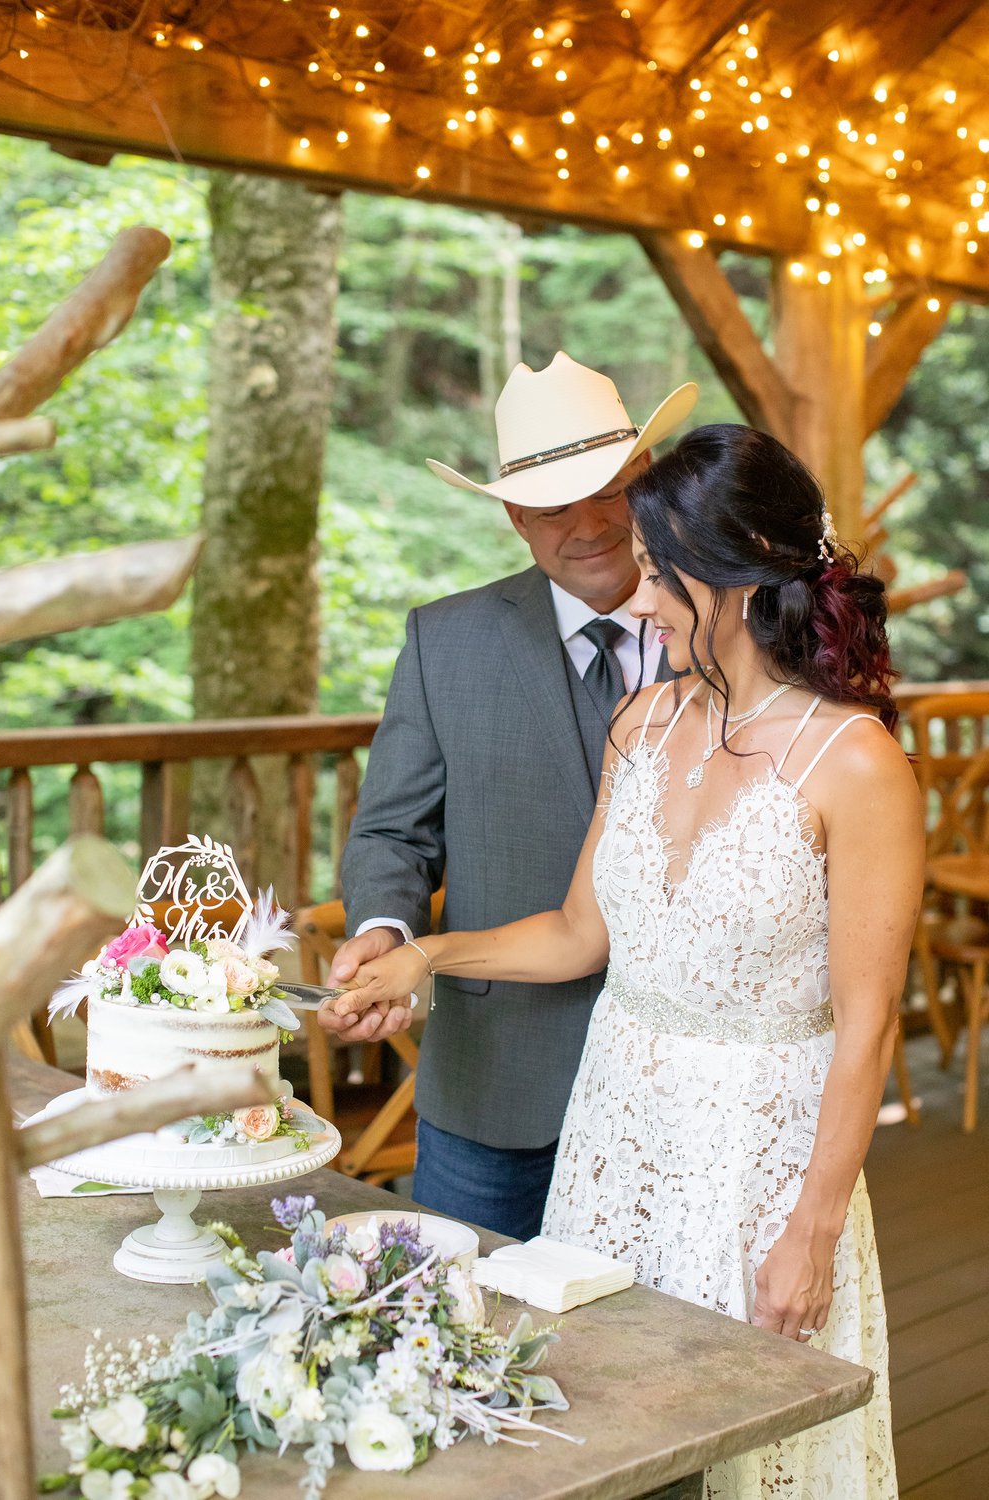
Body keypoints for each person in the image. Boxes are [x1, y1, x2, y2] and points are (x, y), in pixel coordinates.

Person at [330, 423, 924, 1497]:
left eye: (658, 574)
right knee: (598, 1431)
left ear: (735, 576)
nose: (638, 603)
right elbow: (576, 933)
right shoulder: (643, 724)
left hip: (753, 1158)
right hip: (610, 1145)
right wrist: (424, 954)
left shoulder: (857, 762)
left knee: (747, 1446)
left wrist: (811, 1228)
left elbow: (868, 1023)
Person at [319, 352, 698, 1240]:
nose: (590, 525)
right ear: (514, 518)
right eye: (551, 505)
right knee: (467, 1341)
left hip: (682, 1089)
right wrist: (386, 930)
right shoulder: (443, 641)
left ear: (644, 479)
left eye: (607, 489)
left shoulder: (726, 634)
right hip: (495, 1086)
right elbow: (391, 835)